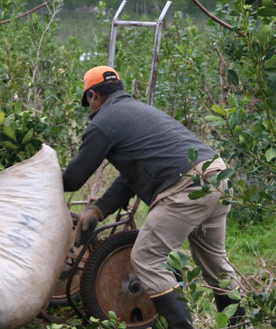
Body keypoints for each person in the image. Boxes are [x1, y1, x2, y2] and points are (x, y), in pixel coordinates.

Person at [62, 66, 244, 328]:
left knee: (147, 258)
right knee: (217, 266)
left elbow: (73, 179)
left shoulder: (103, 121)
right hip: (217, 176)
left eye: (89, 102)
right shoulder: (142, 112)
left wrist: (41, 178)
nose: (91, 108)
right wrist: (98, 210)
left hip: (186, 188)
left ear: (93, 96)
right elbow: (131, 178)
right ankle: (239, 324)